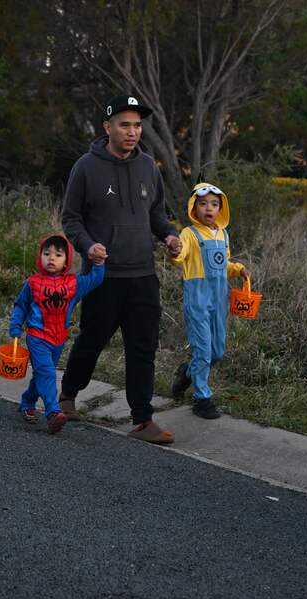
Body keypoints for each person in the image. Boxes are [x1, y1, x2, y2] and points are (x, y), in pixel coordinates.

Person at [59, 95, 182, 445]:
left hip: (143, 275)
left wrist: (169, 235)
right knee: (93, 339)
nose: (132, 132)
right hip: (103, 276)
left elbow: (155, 213)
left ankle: (142, 419)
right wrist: (88, 246)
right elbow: (71, 218)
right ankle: (67, 396)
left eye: (137, 125)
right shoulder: (86, 166)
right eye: (125, 125)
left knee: (143, 347)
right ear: (108, 127)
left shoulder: (147, 167)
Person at [169, 181, 250, 419]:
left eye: (214, 204)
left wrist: (239, 269)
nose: (208, 209)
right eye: (203, 204)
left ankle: (187, 373)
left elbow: (223, 265)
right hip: (198, 298)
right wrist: (175, 251)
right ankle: (202, 398)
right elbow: (181, 255)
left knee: (217, 351)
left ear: (221, 208)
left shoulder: (222, 234)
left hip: (219, 296)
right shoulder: (189, 234)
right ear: (194, 207)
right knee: (203, 350)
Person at [8, 234, 105, 434]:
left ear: (66, 260)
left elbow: (95, 279)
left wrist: (98, 262)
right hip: (37, 336)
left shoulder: (73, 284)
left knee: (42, 373)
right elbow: (21, 306)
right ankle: (53, 412)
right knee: (47, 372)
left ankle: (27, 401)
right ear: (40, 257)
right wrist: (15, 327)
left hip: (58, 337)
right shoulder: (33, 283)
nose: (51, 258)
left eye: (58, 255)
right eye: (47, 253)